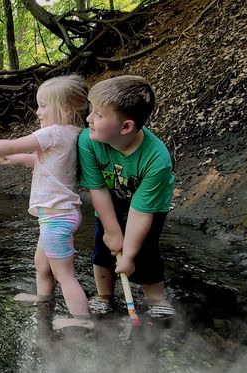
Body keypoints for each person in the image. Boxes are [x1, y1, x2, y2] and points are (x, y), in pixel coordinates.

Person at [0, 75, 93, 329]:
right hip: (58, 215)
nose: (37, 111)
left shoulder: (53, 133)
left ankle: (82, 320)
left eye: (43, 105)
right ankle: (44, 299)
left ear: (65, 109)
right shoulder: (73, 134)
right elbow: (49, 164)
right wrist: (20, 159)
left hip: (56, 216)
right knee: (41, 264)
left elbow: (10, 145)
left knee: (64, 274)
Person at [77, 75, 175, 319]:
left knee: (146, 252)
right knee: (102, 249)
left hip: (148, 208)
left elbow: (141, 212)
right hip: (109, 202)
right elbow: (97, 189)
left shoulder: (157, 160)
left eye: (98, 115)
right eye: (91, 111)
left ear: (126, 127)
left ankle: (155, 299)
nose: (89, 118)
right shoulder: (88, 142)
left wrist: (129, 255)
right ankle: (104, 296)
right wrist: (112, 231)